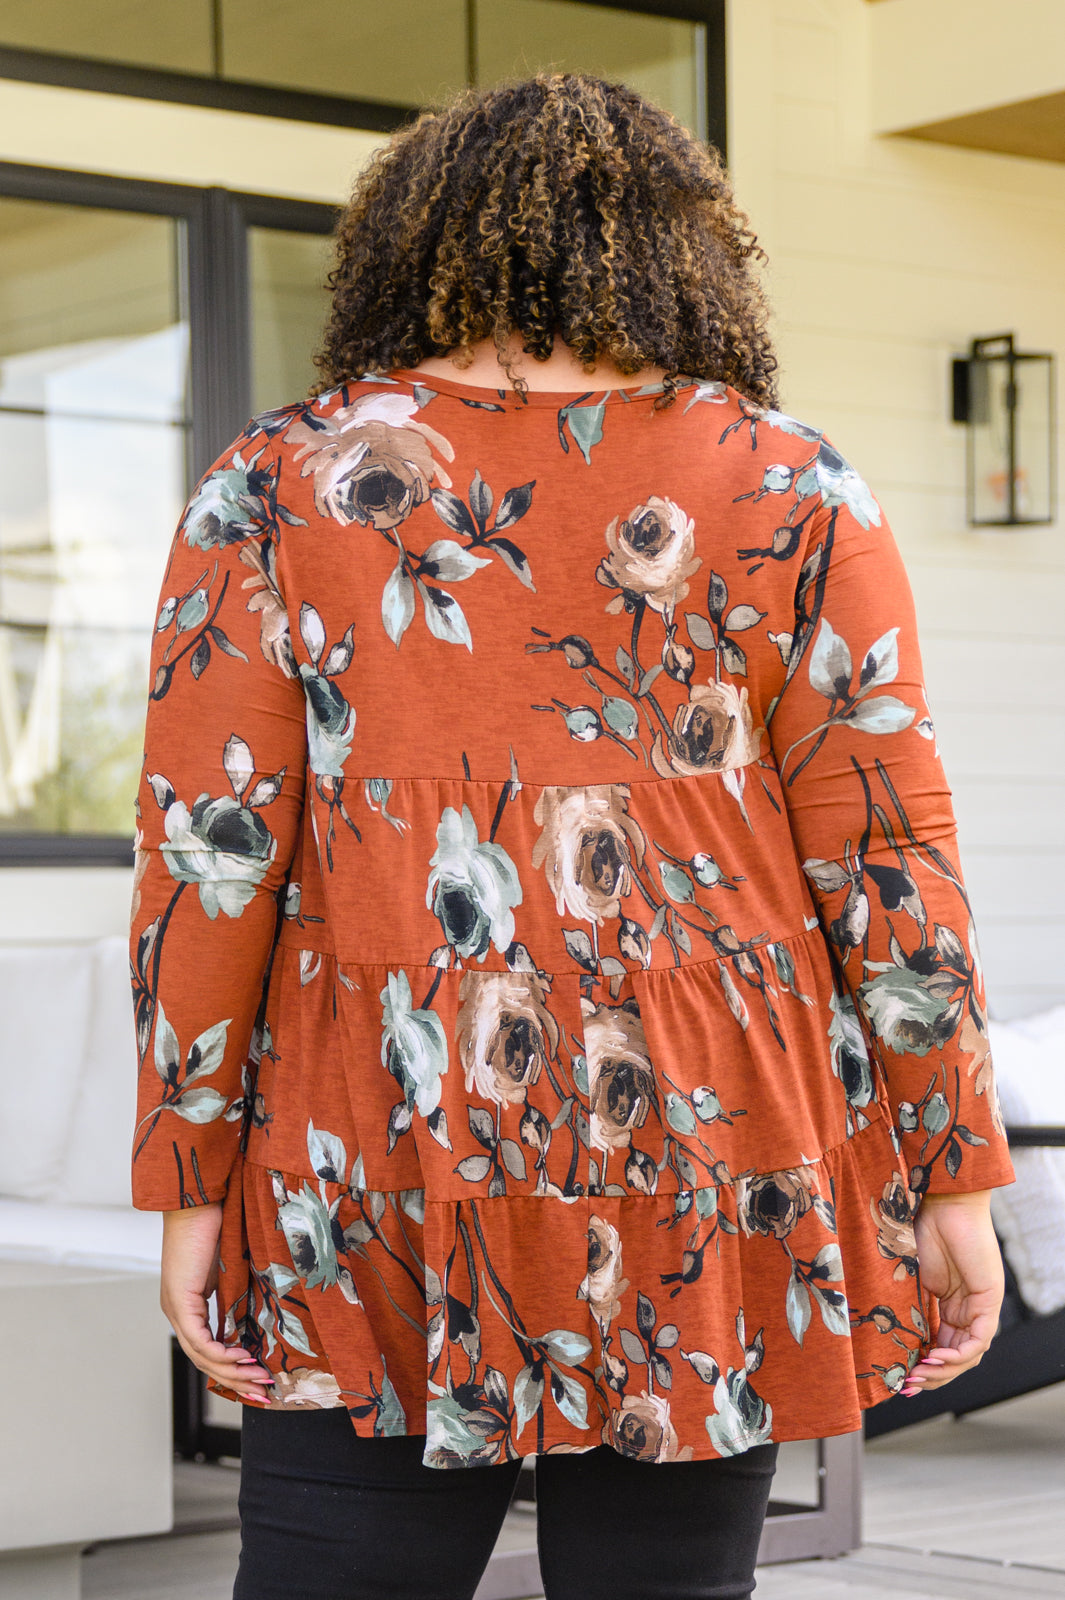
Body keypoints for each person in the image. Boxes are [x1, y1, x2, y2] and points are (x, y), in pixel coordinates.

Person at [129, 72, 1015, 1600]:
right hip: (706, 1124)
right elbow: (887, 859)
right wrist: (955, 1175)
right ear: (680, 249)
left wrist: (189, 1181)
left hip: (375, 1128)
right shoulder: (792, 484)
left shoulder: (273, 486)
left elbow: (207, 868)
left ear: (415, 245)